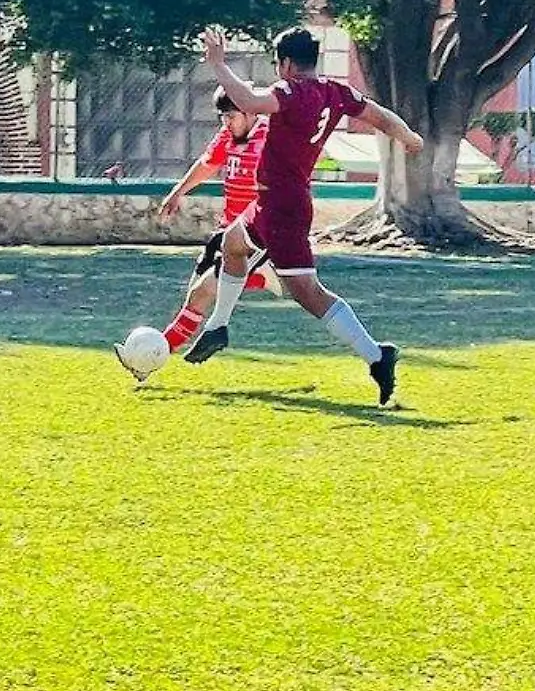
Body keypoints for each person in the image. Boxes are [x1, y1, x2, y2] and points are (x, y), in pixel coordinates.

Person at [183, 29, 426, 408]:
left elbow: (247, 99)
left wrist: (217, 63)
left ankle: (378, 356)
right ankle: (218, 326)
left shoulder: (291, 93)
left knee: (308, 293)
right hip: (271, 204)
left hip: (284, 207)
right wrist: (408, 137)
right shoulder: (335, 91)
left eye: (277, 64)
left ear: (286, 64)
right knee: (232, 244)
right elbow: (379, 115)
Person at [116, 90, 272, 379]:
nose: (227, 122)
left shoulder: (269, 138)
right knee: (195, 296)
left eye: (232, 116)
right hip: (226, 232)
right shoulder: (229, 136)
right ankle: (149, 361)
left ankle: (150, 359)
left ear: (250, 112)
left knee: (203, 291)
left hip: (255, 234)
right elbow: (207, 164)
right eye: (223, 116)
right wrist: (178, 192)